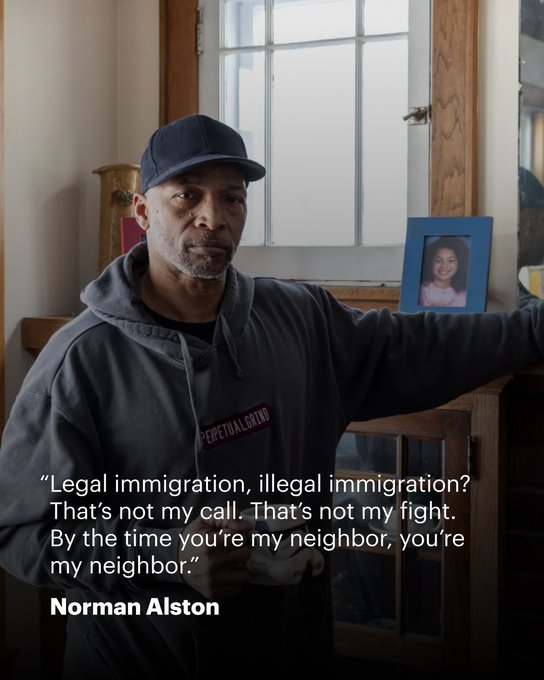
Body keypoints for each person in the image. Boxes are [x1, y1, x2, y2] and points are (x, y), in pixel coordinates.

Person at [2, 114, 544, 680]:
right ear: (142, 211)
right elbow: (22, 532)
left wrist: (534, 329)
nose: (213, 216)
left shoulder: (299, 318)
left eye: (232, 198)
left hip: (289, 648)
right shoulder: (79, 360)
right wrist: (166, 554)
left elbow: (418, 348)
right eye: (187, 195)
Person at [418, 235, 469, 307]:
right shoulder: (420, 291)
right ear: (430, 262)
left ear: (459, 263)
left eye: (451, 260)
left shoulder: (464, 294)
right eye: (438, 260)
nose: (444, 265)